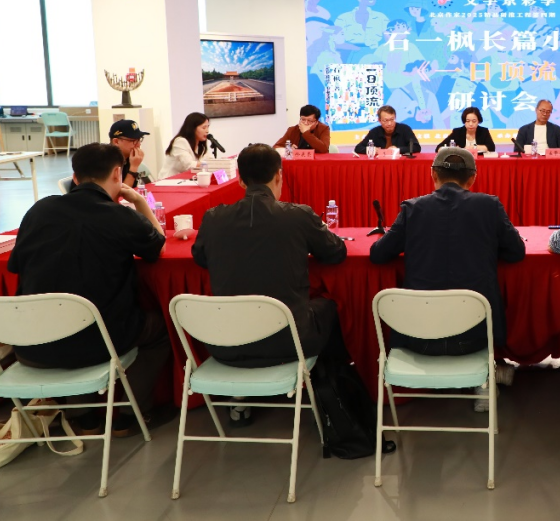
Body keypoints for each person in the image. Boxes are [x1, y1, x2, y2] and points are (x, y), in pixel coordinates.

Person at [9, 143, 169, 436]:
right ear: (118, 174)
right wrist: (138, 200)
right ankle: (130, 414)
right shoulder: (120, 216)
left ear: (75, 177)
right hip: (97, 343)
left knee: (71, 318)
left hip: (30, 343)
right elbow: (158, 246)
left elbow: (16, 266)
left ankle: (83, 417)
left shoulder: (39, 210)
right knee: (160, 329)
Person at [192, 144, 349, 424]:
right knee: (328, 306)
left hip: (225, 343)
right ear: (279, 175)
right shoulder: (297, 215)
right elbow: (336, 252)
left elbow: (200, 258)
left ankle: (240, 399)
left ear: (240, 180)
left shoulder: (213, 218)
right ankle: (332, 398)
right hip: (289, 341)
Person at [369, 147, 525, 410]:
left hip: (418, 338)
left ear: (433, 174)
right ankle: (486, 377)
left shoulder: (413, 209)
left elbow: (378, 255)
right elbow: (516, 252)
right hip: (475, 338)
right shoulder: (489, 206)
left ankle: (486, 375)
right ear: (472, 178)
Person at [159, 112, 209, 179]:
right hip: (169, 180)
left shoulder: (200, 145)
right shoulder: (180, 142)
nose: (207, 131)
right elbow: (189, 165)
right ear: (193, 128)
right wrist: (206, 164)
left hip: (186, 179)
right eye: (204, 128)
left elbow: (209, 159)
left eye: (208, 127)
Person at [354, 105, 421, 155]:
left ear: (395, 118)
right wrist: (373, 150)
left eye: (392, 119)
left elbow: (416, 147)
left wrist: (398, 149)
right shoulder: (374, 132)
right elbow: (358, 148)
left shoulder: (405, 129)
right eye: (386, 120)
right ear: (379, 120)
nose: (389, 123)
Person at [108, 119, 151, 187]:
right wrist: (133, 168)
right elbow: (119, 192)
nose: (138, 144)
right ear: (116, 141)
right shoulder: (105, 161)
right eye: (133, 140)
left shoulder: (129, 158)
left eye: (139, 139)